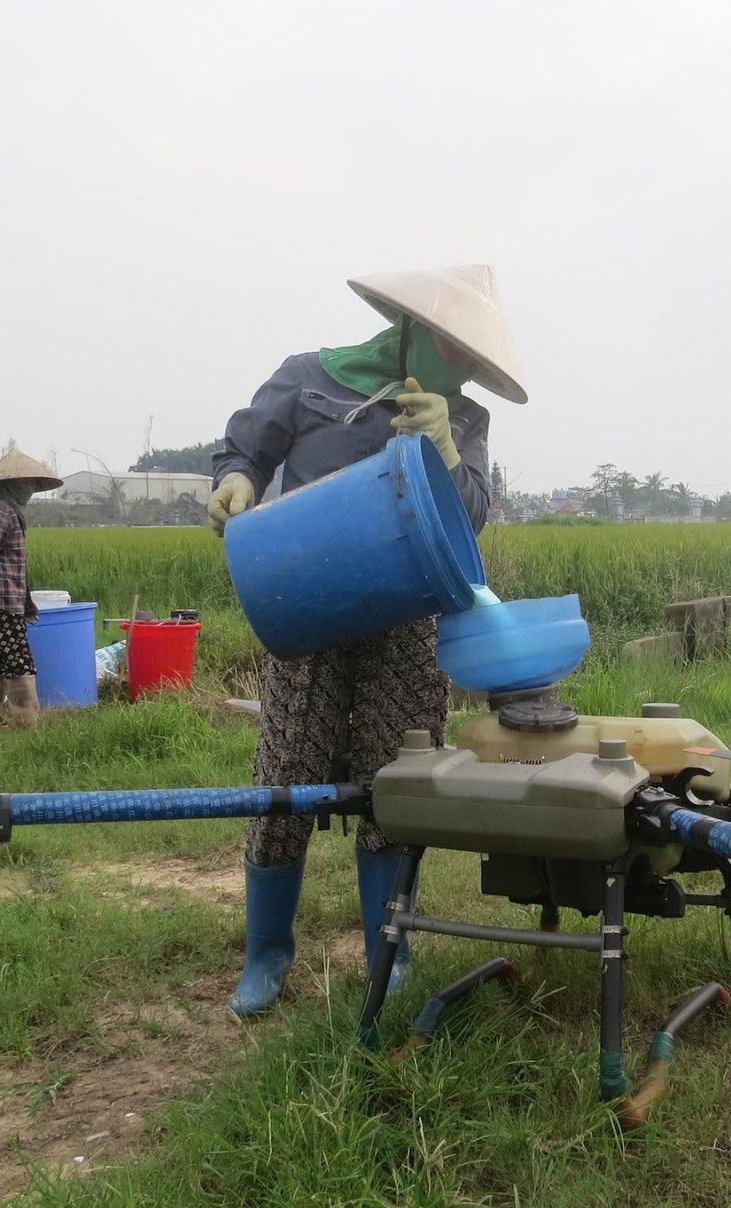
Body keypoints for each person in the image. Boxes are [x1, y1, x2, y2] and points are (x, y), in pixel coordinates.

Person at [207, 265, 526, 1016]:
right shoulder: (310, 378)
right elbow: (245, 447)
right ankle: (266, 952)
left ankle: (392, 947)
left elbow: (472, 516)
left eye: (471, 359)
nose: (459, 369)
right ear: (411, 329)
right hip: (306, 605)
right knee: (286, 776)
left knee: (397, 781)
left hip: (405, 615)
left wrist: (446, 448)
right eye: (451, 348)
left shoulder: (465, 420)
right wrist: (238, 479)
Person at [0, 449, 63, 727]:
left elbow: (6, 561)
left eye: (33, 483)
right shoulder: (1, 510)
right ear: (11, 484)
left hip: (7, 603)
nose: (30, 488)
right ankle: (27, 727)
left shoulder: (9, 511)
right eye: (27, 482)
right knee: (20, 665)